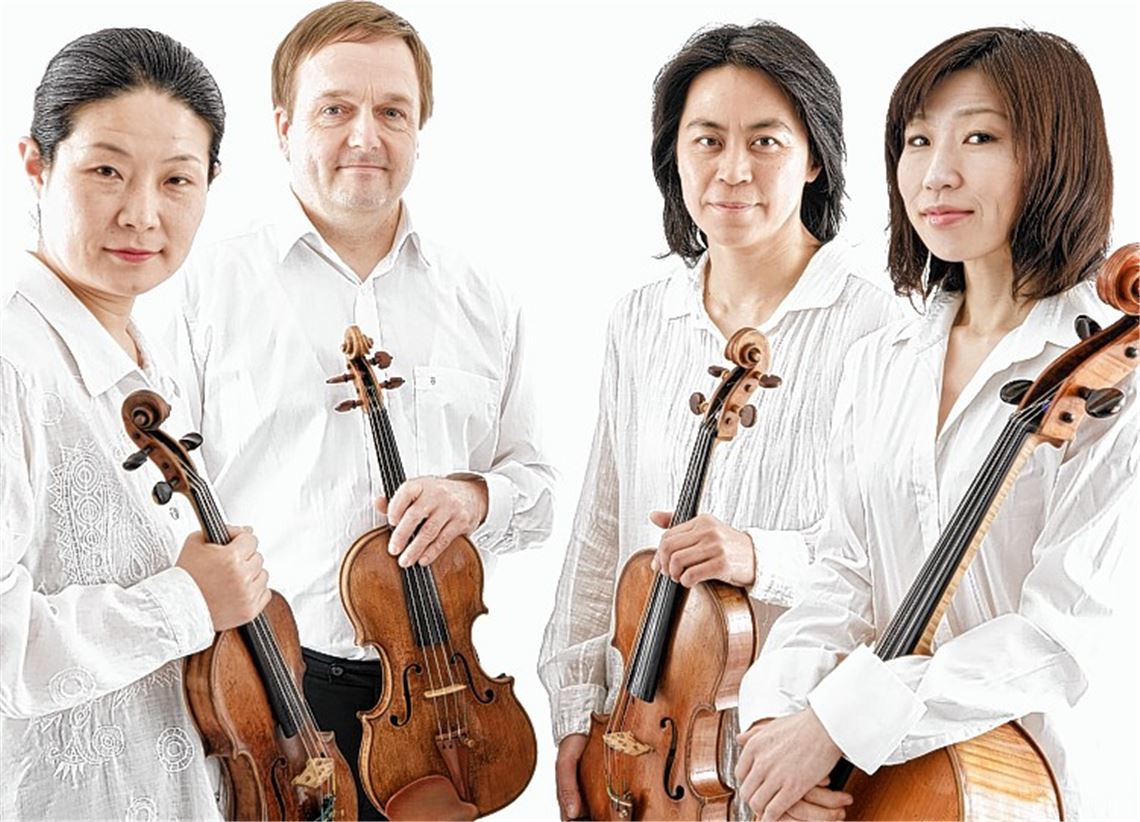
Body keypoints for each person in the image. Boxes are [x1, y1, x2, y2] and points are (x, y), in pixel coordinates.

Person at [733, 26, 1137, 821]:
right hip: (868, 784)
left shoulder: (1112, 374)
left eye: (980, 136)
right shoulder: (880, 358)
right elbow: (841, 568)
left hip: (1019, 785)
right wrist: (780, 718)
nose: (936, 172)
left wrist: (841, 721)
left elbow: (1058, 635)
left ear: (1058, 155)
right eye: (916, 140)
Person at [173, 2, 555, 816]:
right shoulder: (206, 290)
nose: (365, 136)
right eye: (335, 109)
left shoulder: (482, 297)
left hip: (446, 698)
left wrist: (475, 497)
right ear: (283, 126)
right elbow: (154, 507)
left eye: (393, 112)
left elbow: (539, 489)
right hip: (274, 692)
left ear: (421, 127)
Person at [537, 21, 900, 821]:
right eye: (707, 140)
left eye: (765, 141)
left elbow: (896, 567)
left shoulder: (880, 332)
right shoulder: (641, 318)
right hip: (641, 738)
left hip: (795, 757)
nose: (733, 170)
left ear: (814, 157)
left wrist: (756, 554)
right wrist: (576, 711)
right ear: (674, 156)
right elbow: (601, 528)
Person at [0, 27, 269, 821]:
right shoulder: (12, 360)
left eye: (178, 179)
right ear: (36, 165)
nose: (141, 214)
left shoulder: (147, 351)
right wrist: (189, 600)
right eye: (106, 170)